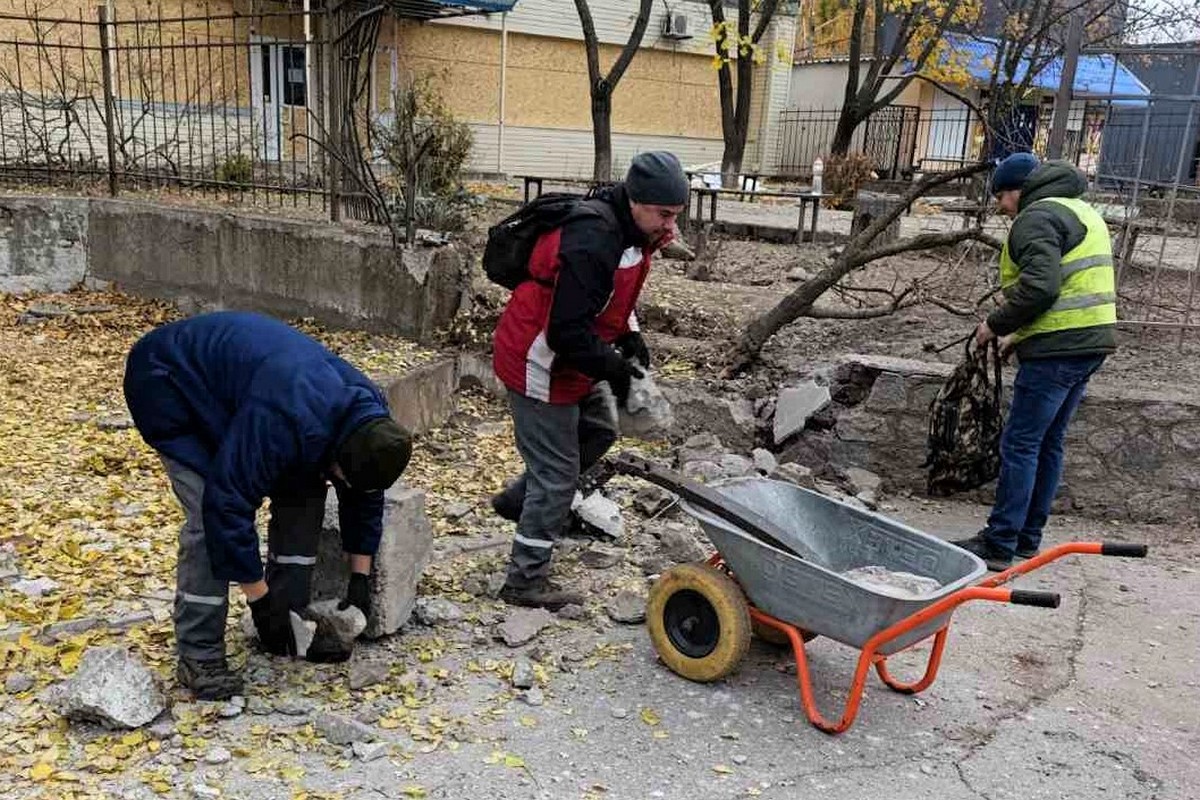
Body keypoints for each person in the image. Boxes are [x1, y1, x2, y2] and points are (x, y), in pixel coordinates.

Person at [124, 311, 413, 699]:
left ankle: (289, 626)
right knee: (206, 516)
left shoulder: (371, 421)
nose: (343, 483)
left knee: (305, 491)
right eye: (342, 476)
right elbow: (227, 506)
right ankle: (200, 655)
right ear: (340, 455)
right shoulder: (283, 417)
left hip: (248, 390)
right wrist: (260, 600)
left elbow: (364, 494)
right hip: (170, 382)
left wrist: (359, 577)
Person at [490, 151, 689, 609]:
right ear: (636, 201)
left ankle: (519, 501)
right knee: (558, 475)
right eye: (664, 215)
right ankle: (524, 580)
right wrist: (618, 371)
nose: (670, 226)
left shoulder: (632, 233)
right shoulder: (593, 239)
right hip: (538, 360)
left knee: (599, 429)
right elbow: (566, 332)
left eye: (676, 216)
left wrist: (632, 338)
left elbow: (613, 297)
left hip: (576, 358)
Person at [952, 153, 1116, 571]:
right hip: (1090, 342)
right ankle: (1028, 537)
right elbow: (1069, 286)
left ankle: (1000, 540)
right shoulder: (1082, 210)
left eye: (1002, 197)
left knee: (1021, 443)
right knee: (1048, 442)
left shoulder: (1037, 217)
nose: (1002, 209)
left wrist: (995, 323)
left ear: (1018, 190)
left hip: (1058, 348)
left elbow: (1042, 287)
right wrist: (1020, 335)